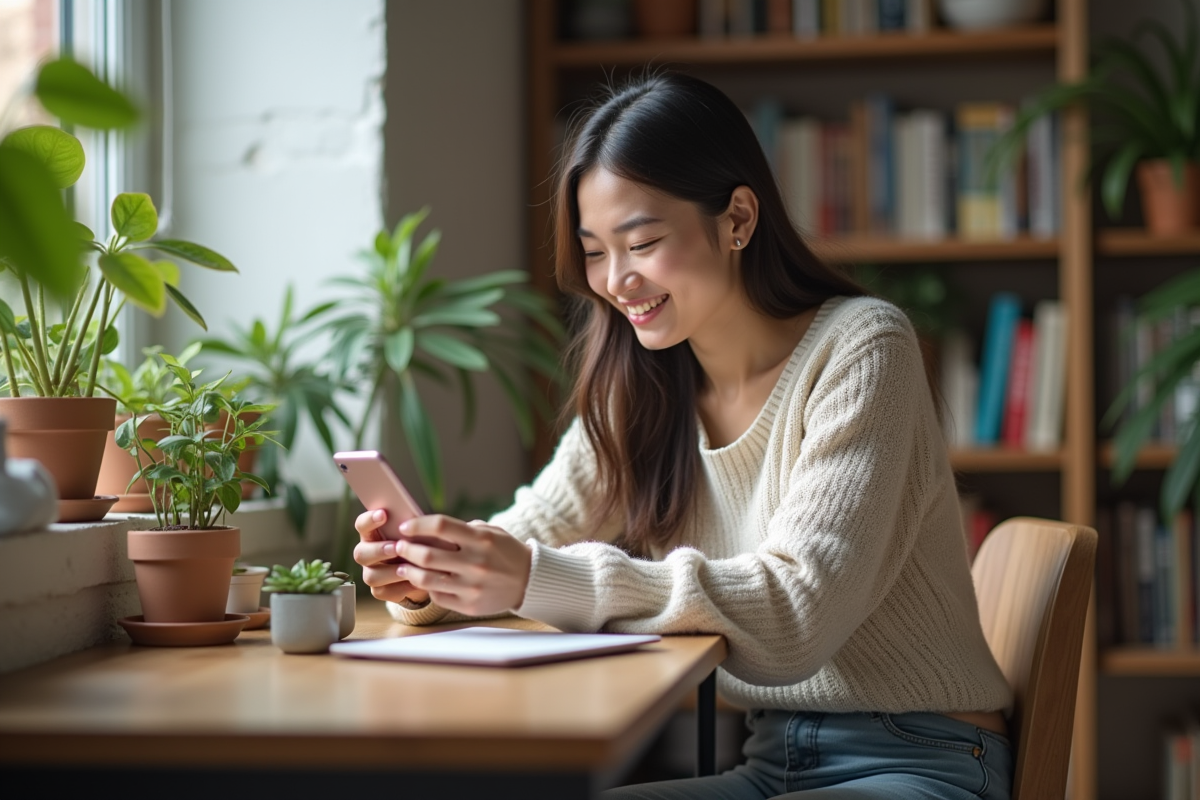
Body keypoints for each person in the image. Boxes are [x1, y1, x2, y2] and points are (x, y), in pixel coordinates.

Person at [352, 72, 1014, 799]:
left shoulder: (862, 348)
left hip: (921, 757)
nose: (616, 281)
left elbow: (797, 616)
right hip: (769, 761)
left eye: (642, 243)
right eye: (595, 251)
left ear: (736, 218)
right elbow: (532, 533)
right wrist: (431, 578)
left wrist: (531, 574)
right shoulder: (642, 380)